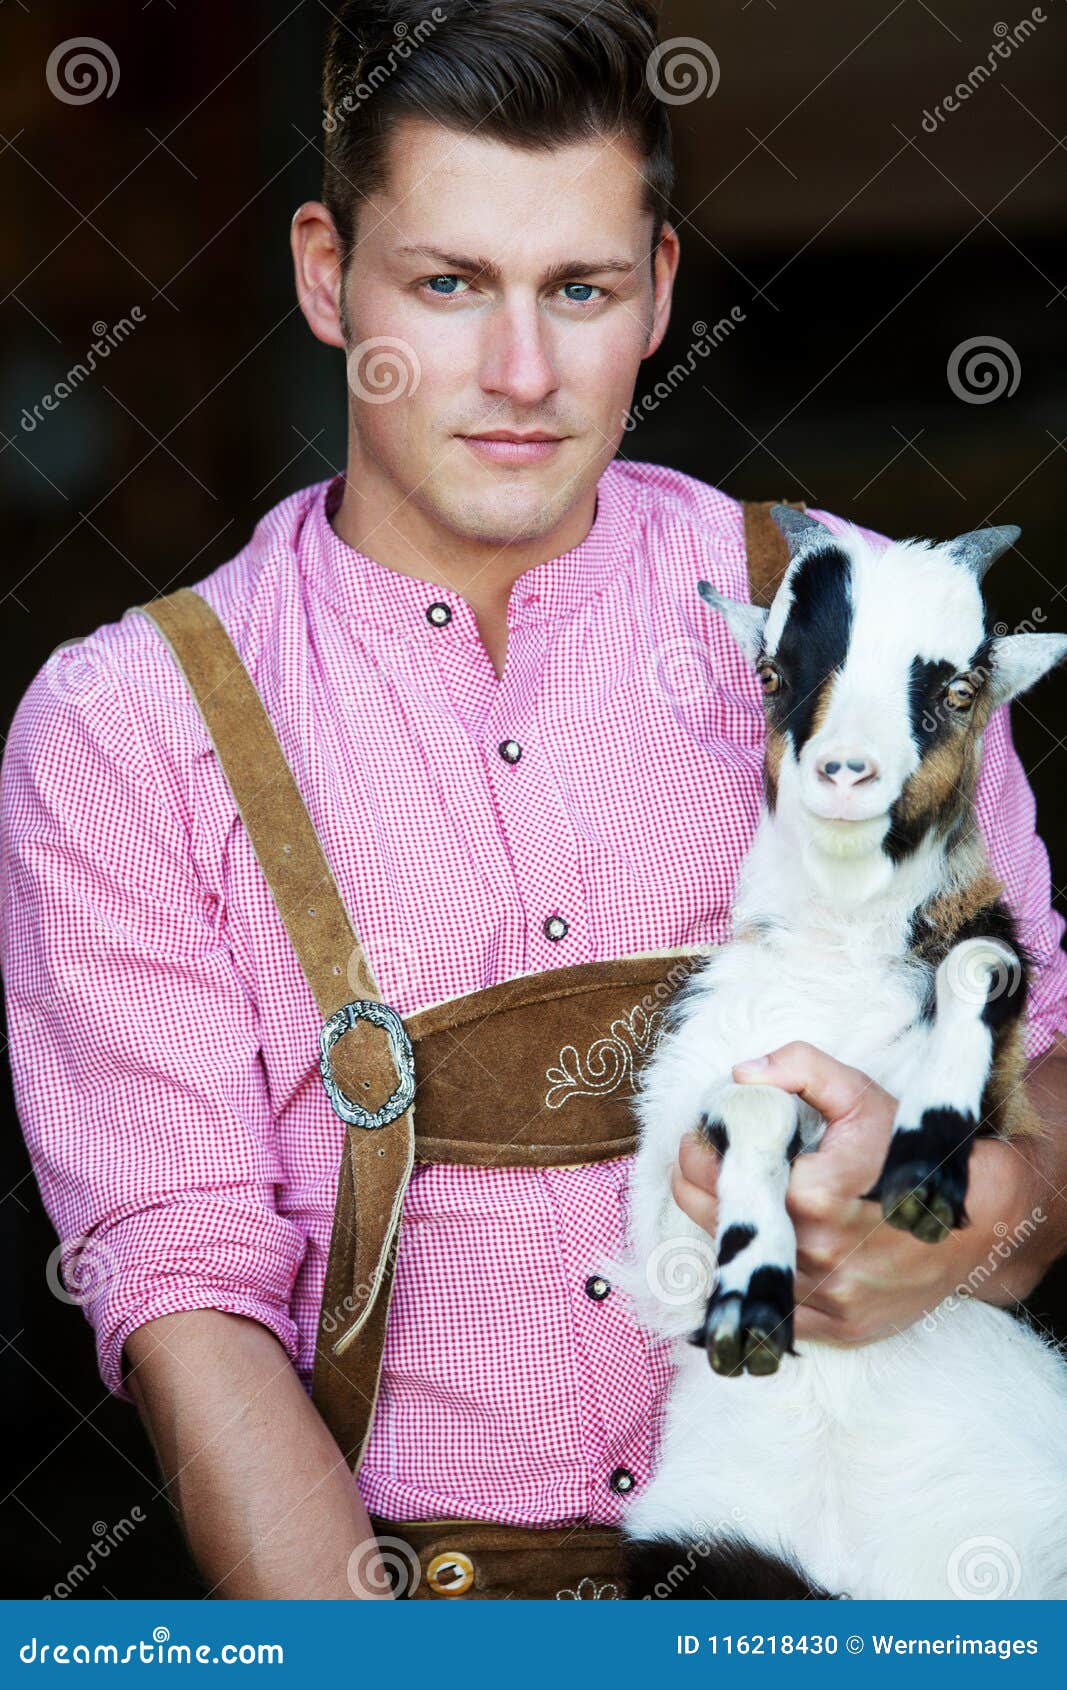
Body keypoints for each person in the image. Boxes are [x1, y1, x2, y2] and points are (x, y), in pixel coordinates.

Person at [2, 0, 1066, 1601]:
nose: (521, 374)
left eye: (581, 289)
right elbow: (189, 1294)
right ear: (325, 276)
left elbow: (1044, 1079)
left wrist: (971, 1227)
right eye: (449, 285)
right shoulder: (127, 728)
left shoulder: (872, 622)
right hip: (425, 1606)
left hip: (885, 1584)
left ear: (661, 289)